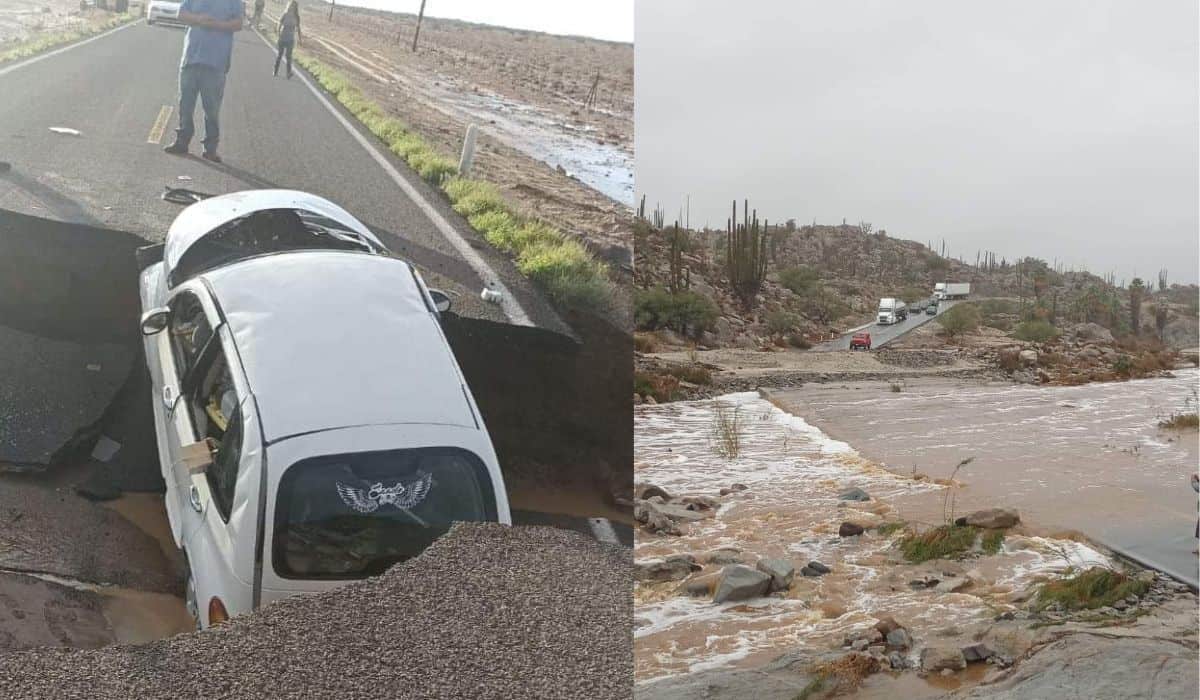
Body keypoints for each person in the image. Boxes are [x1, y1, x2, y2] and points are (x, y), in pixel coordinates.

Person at [163, 0, 244, 163]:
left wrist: (217, 24)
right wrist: (199, 20)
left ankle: (210, 149)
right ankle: (182, 141)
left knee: (212, 110)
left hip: (216, 63)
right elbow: (181, 14)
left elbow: (238, 23)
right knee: (185, 104)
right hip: (190, 59)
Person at [274, 1, 301, 79]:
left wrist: (300, 39)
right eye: (291, 5)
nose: (292, 7)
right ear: (288, 6)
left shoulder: (297, 17)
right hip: (282, 37)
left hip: (290, 39)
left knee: (288, 57)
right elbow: (279, 23)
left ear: (296, 7)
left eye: (294, 6)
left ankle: (288, 73)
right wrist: (278, 33)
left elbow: (298, 28)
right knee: (279, 55)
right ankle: (275, 70)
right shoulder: (285, 14)